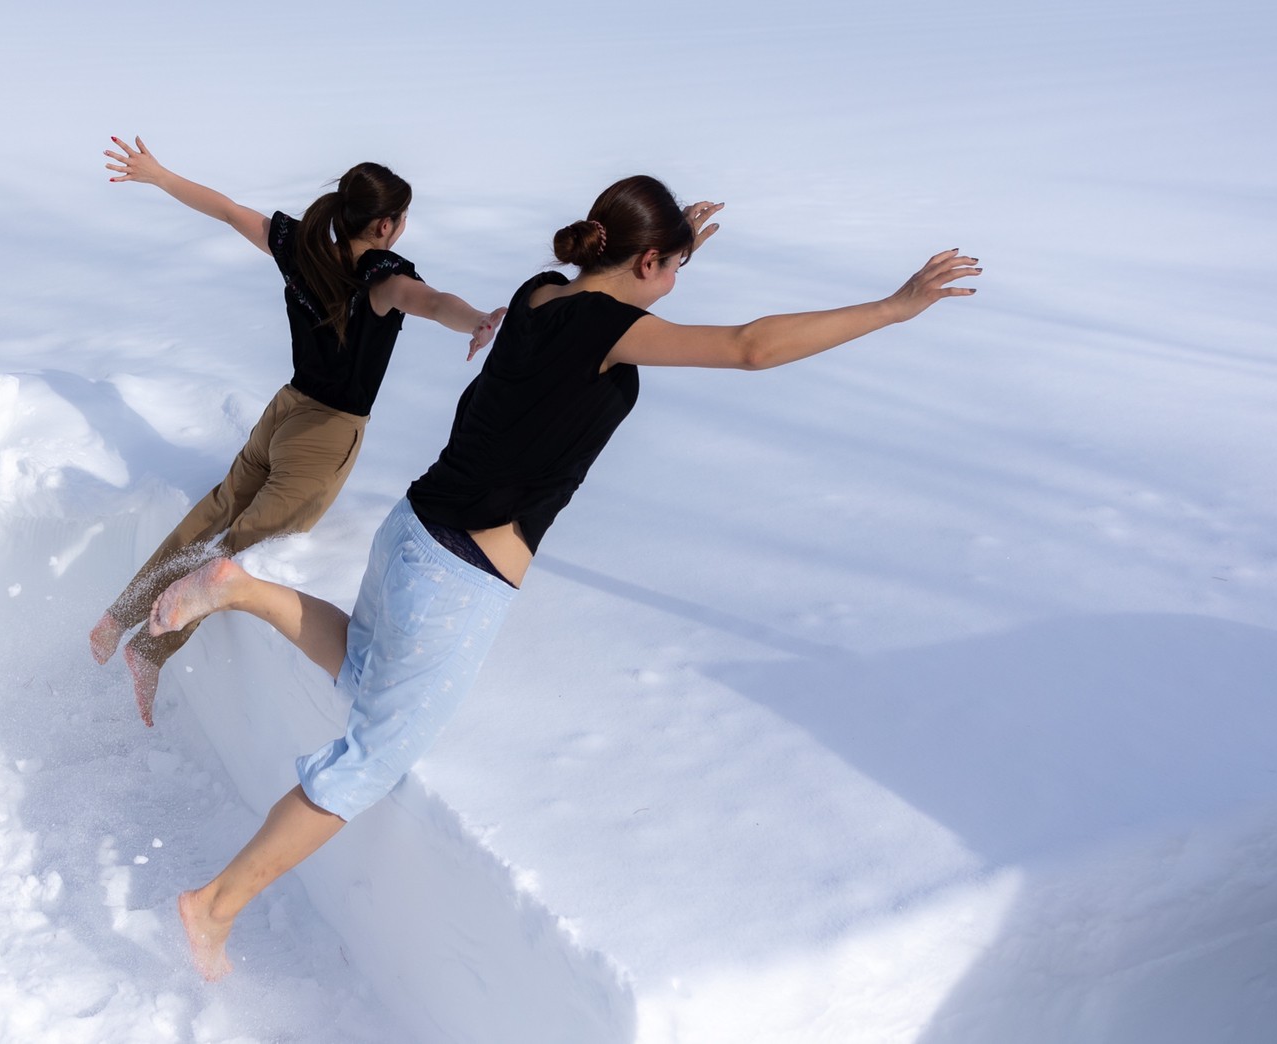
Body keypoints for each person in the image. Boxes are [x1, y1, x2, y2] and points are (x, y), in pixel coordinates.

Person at [147, 174, 980, 979]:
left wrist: (661, 249)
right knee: (370, 758)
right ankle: (216, 905)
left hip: (413, 529)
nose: (674, 280)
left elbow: (607, 306)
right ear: (649, 263)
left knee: (365, 666)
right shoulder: (607, 327)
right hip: (460, 573)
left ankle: (237, 587)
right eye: (672, 265)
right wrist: (895, 306)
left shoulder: (544, 291)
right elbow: (750, 349)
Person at [88, 136, 507, 726]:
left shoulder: (303, 246)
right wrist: (480, 320)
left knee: (212, 515)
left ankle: (115, 618)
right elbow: (432, 301)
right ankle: (148, 647)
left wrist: (160, 176)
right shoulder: (382, 276)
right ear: (386, 225)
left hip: (281, 413)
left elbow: (230, 210)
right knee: (238, 548)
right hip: (324, 435)